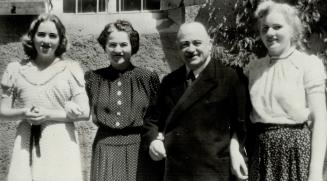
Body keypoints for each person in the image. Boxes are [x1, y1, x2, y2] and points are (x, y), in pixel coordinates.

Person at [143, 22, 249, 181]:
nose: (191, 49)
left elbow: (242, 124)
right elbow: (152, 120)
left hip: (213, 171)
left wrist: (236, 150)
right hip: (176, 172)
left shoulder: (229, 78)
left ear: (210, 44)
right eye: (185, 44)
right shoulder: (169, 82)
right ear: (178, 48)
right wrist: (153, 141)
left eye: (197, 43)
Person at [0, 14, 90, 181]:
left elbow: (85, 112)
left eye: (53, 36)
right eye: (41, 34)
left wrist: (48, 115)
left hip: (61, 141)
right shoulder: (15, 69)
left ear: (61, 40)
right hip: (26, 141)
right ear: (32, 37)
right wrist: (24, 113)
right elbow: (2, 112)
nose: (46, 40)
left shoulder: (71, 69)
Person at [245, 1, 327, 181]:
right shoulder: (253, 69)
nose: (270, 33)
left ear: (292, 30)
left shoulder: (307, 65)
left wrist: (315, 172)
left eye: (277, 27)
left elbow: (320, 119)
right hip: (261, 153)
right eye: (264, 28)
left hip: (296, 152)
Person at [85, 20, 161, 181]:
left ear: (132, 46)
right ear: (105, 46)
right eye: (112, 45)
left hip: (139, 150)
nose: (118, 50)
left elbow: (159, 117)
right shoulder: (93, 78)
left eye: (123, 44)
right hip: (105, 150)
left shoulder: (147, 78)